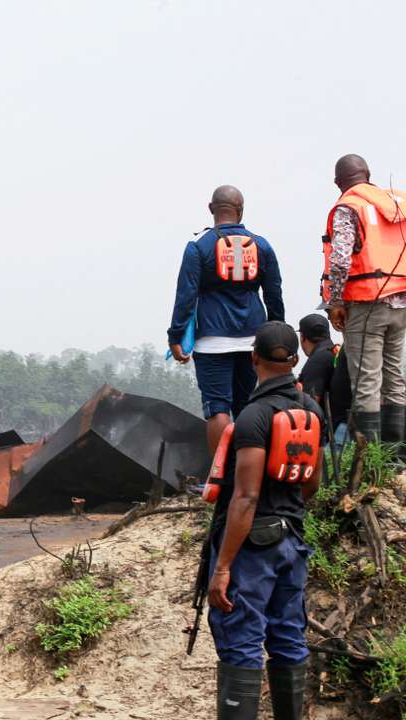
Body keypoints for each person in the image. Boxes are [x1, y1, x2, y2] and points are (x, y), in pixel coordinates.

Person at [206, 322, 323, 720]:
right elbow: (313, 483)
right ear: (294, 359)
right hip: (293, 542)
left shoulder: (255, 414)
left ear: (253, 358)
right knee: (288, 637)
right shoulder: (311, 410)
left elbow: (246, 496)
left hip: (253, 547)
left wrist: (222, 567)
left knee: (241, 640)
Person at [168, 185, 285, 457]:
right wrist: (275, 336)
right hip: (254, 341)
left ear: (211, 208)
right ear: (241, 211)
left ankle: (219, 478)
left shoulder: (198, 247)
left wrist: (175, 337)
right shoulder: (262, 246)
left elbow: (185, 297)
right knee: (248, 407)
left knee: (217, 407)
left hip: (211, 340)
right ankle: (249, 474)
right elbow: (274, 295)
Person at [322, 153, 406, 443]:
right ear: (368, 175)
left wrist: (335, 302)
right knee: (394, 376)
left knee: (366, 382)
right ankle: (396, 456)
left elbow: (341, 260)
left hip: (367, 303)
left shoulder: (349, 207)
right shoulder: (393, 205)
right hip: (400, 302)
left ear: (338, 183)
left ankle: (369, 462)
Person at [296, 314, 351, 454]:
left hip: (336, 432)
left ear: (302, 337)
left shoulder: (317, 360)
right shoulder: (335, 352)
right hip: (349, 426)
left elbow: (309, 405)